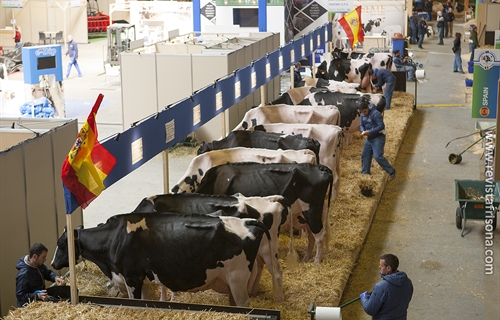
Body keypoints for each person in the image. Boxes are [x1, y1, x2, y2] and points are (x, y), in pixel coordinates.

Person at [360, 254, 413, 319]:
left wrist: (364, 298)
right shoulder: (408, 282)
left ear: (388, 268)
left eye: (381, 266)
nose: (379, 267)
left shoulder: (381, 287)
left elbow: (370, 309)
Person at [16, 243, 66, 307]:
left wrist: (55, 278)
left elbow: (48, 273)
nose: (45, 259)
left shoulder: (38, 265)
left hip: (39, 301)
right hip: (28, 307)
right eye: (43, 257)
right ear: (35, 257)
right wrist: (37, 296)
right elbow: (21, 296)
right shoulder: (24, 274)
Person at [359, 102, 396, 180]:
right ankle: (365, 172)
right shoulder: (363, 115)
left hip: (378, 137)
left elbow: (381, 126)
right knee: (365, 155)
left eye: (365, 111)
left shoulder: (376, 114)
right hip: (369, 138)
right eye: (362, 112)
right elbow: (361, 125)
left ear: (368, 108)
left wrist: (370, 131)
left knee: (378, 156)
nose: (364, 113)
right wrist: (362, 131)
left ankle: (391, 171)